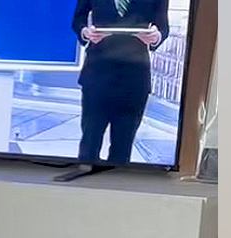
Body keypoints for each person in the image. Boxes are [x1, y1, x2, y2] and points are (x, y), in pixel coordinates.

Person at [71, 0, 170, 165]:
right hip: (97, 73)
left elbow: (163, 27)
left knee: (122, 148)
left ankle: (117, 180)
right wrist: (86, 32)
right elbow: (78, 20)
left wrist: (155, 36)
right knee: (89, 144)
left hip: (134, 76)